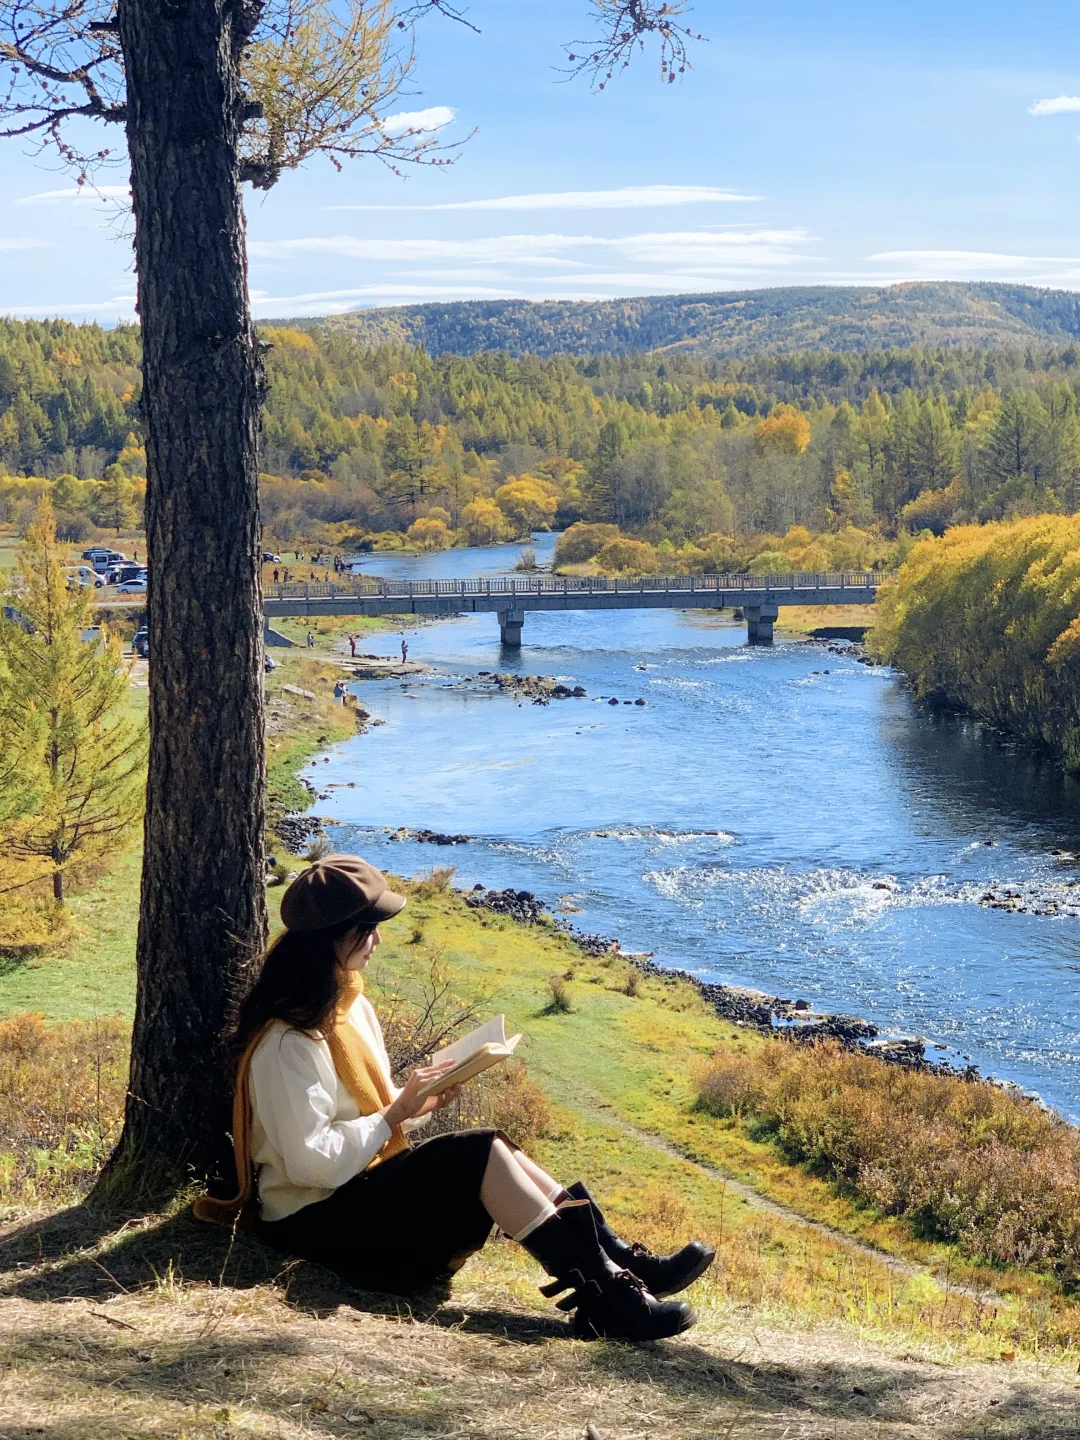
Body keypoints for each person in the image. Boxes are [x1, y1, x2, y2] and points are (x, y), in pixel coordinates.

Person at [195, 856, 712, 1341]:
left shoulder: (350, 1007)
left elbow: (369, 1122)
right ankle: (607, 1298)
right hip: (316, 1226)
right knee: (478, 1149)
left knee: (495, 1147)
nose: (376, 940)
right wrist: (396, 1111)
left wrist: (417, 1106)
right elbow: (311, 1164)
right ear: (331, 940)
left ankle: (615, 1263)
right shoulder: (290, 1042)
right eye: (367, 929)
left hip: (354, 1198)